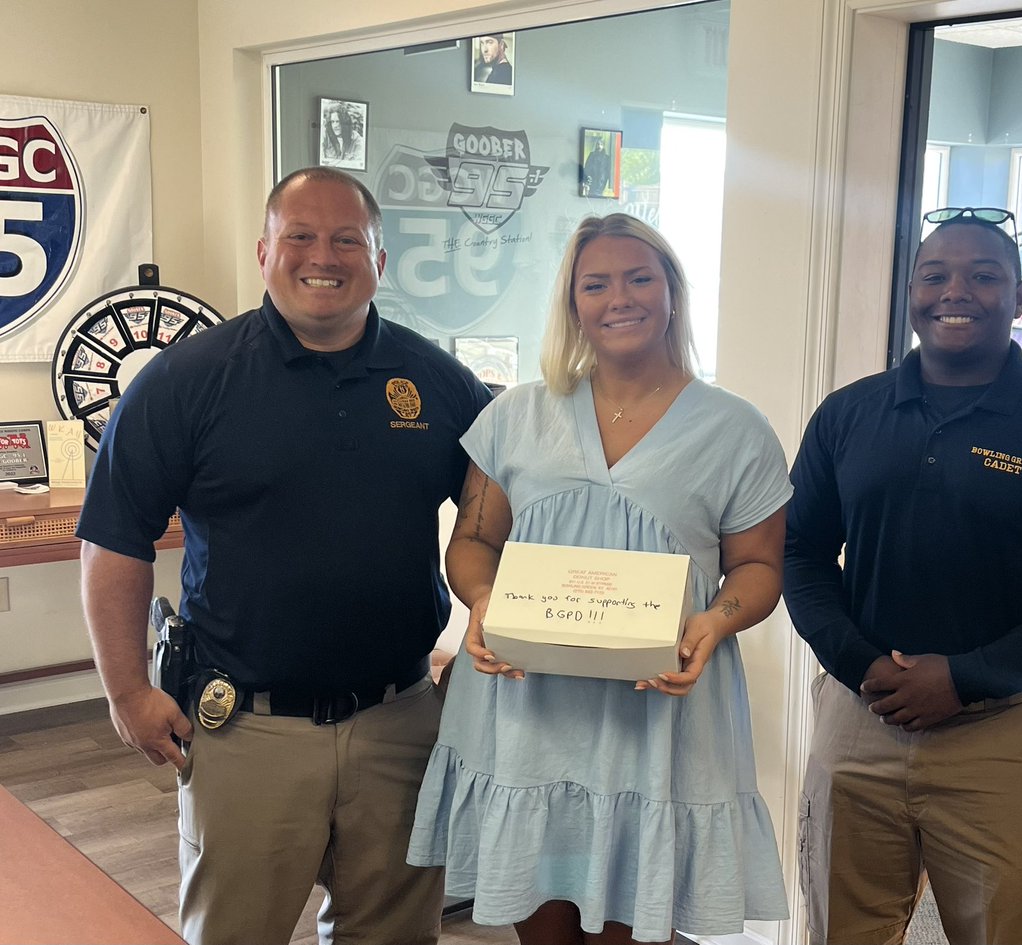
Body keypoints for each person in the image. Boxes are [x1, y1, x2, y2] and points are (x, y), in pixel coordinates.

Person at [77, 166, 493, 945]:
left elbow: (497, 514)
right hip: (246, 730)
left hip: (401, 722)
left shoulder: (436, 382)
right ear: (265, 249)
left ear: (380, 257)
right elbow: (114, 537)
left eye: (347, 239)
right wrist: (126, 691)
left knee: (395, 936)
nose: (322, 256)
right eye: (300, 235)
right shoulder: (187, 381)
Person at [407, 213, 791, 944]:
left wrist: (713, 622)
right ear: (573, 303)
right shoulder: (516, 414)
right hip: (527, 713)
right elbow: (474, 540)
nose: (620, 297)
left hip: (657, 712)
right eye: (596, 283)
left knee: (634, 929)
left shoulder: (736, 430)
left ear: (671, 291)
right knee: (541, 928)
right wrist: (485, 601)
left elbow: (759, 566)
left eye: (640, 277)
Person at [782, 207, 1022, 945]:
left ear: (1018, 299)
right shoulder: (847, 416)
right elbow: (802, 554)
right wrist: (859, 664)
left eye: (985, 276)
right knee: (838, 930)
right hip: (860, 724)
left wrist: (969, 676)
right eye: (936, 274)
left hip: (1006, 733)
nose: (957, 291)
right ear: (911, 291)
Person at [322, 102, 364, 167]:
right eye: (333, 122)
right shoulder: (325, 135)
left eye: (338, 121)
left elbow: (359, 164)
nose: (335, 126)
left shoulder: (356, 139)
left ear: (344, 122)